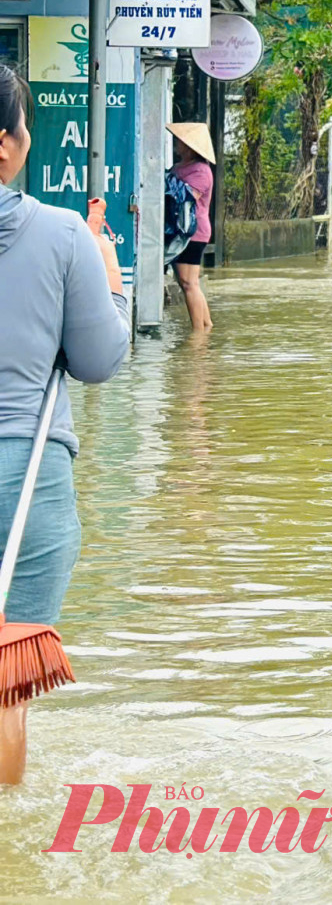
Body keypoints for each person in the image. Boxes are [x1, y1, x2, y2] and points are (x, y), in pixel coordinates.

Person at [0, 63, 129, 784]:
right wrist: (110, 278)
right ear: (7, 146)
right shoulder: (62, 234)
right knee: (4, 685)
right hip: (25, 479)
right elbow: (99, 359)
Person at [166, 121, 216, 331]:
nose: (177, 144)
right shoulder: (180, 168)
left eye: (180, 141)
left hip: (192, 233)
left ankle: (198, 334)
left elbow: (185, 197)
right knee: (187, 282)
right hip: (181, 231)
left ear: (189, 146)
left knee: (189, 282)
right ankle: (205, 326)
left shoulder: (201, 171)